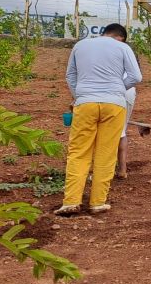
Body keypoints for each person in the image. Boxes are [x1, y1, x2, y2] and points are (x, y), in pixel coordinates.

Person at [55, 23, 142, 216]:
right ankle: (97, 202)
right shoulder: (123, 47)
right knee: (106, 153)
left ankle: (71, 201)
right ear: (120, 37)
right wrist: (117, 89)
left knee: (78, 152)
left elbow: (70, 75)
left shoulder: (80, 45)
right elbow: (136, 76)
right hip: (114, 105)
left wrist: (79, 95)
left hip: (85, 103)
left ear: (104, 32)